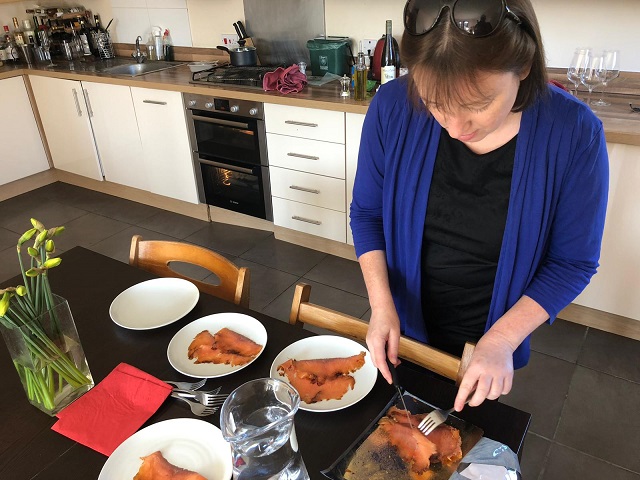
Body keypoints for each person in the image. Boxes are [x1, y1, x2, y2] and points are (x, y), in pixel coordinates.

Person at [350, 0, 608, 413]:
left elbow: (572, 262)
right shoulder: (391, 105)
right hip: (406, 327)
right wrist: (381, 306)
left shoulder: (575, 134)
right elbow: (367, 214)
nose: (455, 127)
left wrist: (503, 340)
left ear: (523, 67)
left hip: (491, 335)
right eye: (435, 103)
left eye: (477, 105)